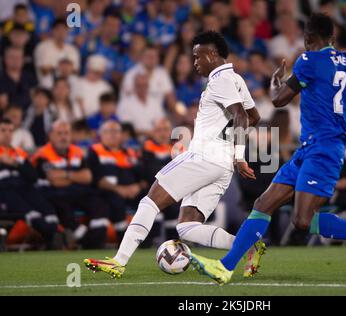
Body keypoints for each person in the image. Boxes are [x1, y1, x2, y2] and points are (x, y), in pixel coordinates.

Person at [189, 14, 346, 285]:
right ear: (333, 39)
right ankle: (225, 267)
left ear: (308, 39)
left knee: (302, 221)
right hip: (310, 148)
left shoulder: (308, 60)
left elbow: (278, 100)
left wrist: (275, 81)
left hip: (324, 149)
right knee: (263, 204)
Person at [84, 31, 262, 279]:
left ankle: (118, 261)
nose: (195, 63)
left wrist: (239, 155)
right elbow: (254, 117)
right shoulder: (236, 79)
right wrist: (230, 148)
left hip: (204, 155)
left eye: (197, 57)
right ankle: (247, 245)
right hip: (221, 164)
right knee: (187, 226)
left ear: (212, 54)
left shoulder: (220, 80)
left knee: (149, 201)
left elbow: (243, 117)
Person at [31, 121, 109, 249]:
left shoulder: (77, 151)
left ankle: (97, 240)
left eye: (66, 133)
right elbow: (53, 179)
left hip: (76, 191)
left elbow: (88, 177)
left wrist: (66, 176)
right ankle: (85, 240)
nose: (63, 137)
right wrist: (76, 176)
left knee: (100, 203)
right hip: (53, 193)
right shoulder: (43, 153)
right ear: (51, 135)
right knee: (62, 207)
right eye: (59, 133)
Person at [0, 118, 58, 249]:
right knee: (28, 211)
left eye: (10, 130)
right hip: (5, 191)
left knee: (46, 207)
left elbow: (33, 176)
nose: (7, 134)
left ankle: (53, 233)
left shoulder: (18, 153)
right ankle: (53, 235)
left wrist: (14, 163)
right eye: (3, 130)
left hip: (24, 188)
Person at [87, 121, 146, 241]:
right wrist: (119, 189)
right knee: (114, 202)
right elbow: (96, 178)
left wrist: (138, 187)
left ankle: (151, 241)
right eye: (109, 131)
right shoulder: (94, 151)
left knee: (149, 201)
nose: (113, 135)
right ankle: (123, 240)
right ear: (101, 134)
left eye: (116, 131)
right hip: (107, 192)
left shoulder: (131, 153)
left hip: (132, 192)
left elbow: (144, 176)